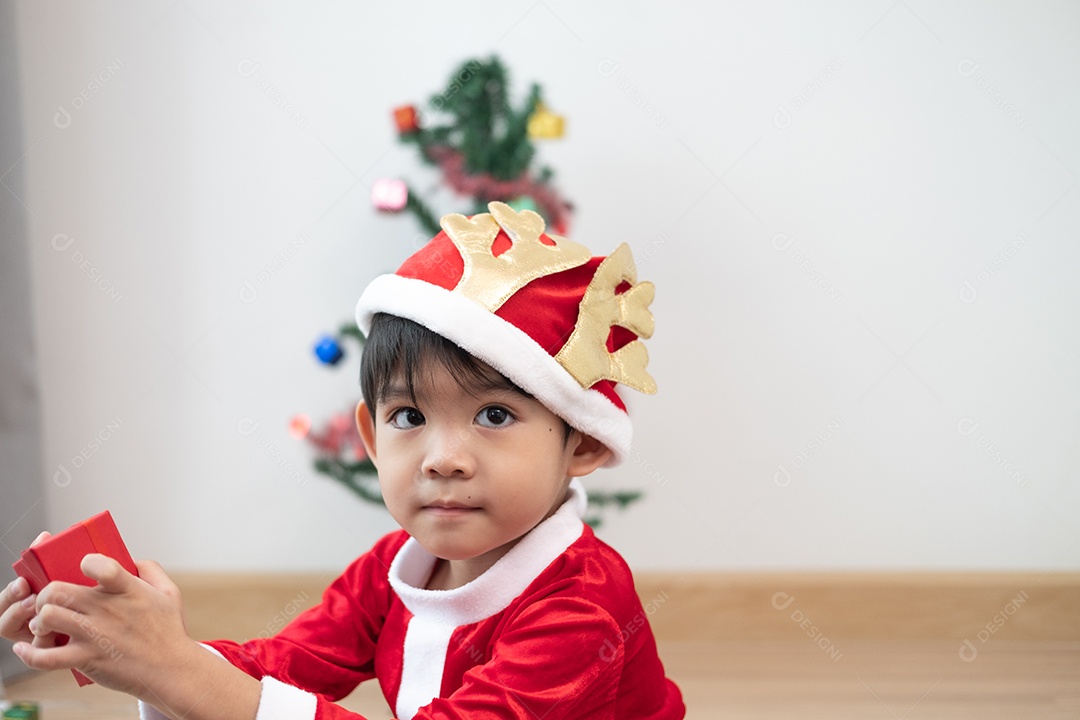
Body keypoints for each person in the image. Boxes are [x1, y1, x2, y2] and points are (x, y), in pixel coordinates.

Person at [0, 202, 686, 719]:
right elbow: (287, 665)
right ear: (370, 434)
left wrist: (174, 668)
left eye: (494, 416)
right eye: (410, 418)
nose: (444, 459)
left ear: (586, 443)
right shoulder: (394, 568)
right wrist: (135, 648)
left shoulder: (581, 605)